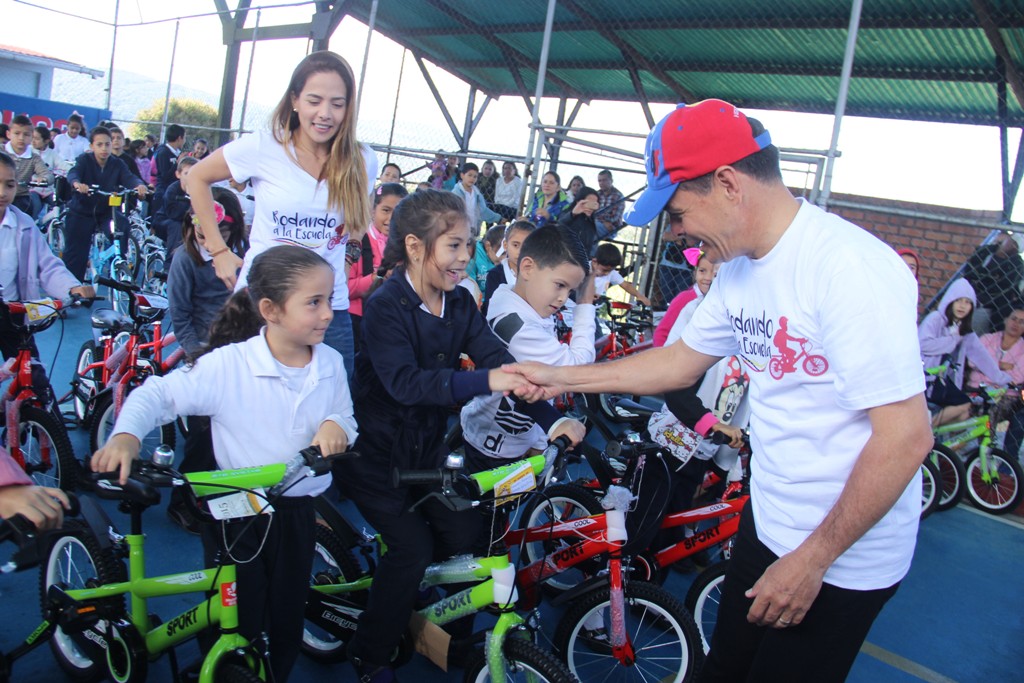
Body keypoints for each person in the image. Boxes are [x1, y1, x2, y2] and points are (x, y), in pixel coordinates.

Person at [505, 99, 934, 683]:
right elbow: (678, 363)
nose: (676, 230)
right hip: (772, 521)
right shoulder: (736, 269)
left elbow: (906, 438)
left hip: (840, 557)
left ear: (728, 183)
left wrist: (812, 561)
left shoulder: (848, 268)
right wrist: (558, 376)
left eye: (678, 212)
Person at [334, 190, 574, 682]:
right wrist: (489, 380)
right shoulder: (386, 306)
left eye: (467, 246)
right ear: (417, 248)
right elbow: (406, 384)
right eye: (455, 246)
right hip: (375, 459)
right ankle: (371, 652)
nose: (466, 256)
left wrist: (552, 420)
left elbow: (498, 362)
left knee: (464, 536)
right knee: (412, 550)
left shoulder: (460, 302)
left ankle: (439, 630)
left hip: (424, 454)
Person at [91, 245, 357, 683]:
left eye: (330, 299)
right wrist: (125, 435)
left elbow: (346, 414)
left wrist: (336, 425)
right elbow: (159, 394)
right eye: (314, 302)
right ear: (269, 310)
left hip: (296, 512)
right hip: (239, 513)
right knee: (236, 613)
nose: (328, 313)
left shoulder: (328, 362)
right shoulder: (229, 366)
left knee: (288, 610)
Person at [188, 50, 377, 378]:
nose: (325, 114)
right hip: (264, 303)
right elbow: (196, 178)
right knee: (247, 406)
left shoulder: (362, 160)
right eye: (314, 100)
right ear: (294, 100)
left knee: (331, 410)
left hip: (328, 310)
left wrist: (348, 255)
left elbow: (359, 218)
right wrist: (218, 251)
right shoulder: (264, 147)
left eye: (337, 103)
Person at [461, 224, 590, 472]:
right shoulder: (518, 324)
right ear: (528, 267)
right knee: (491, 508)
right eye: (560, 285)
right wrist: (585, 305)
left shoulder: (524, 301)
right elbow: (576, 371)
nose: (564, 298)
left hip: (514, 437)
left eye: (572, 291)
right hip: (493, 447)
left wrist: (540, 438)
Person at [164, 190, 249, 533]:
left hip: (239, 349)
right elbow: (180, 315)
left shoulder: (240, 255)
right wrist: (195, 354)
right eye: (203, 225)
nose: (212, 235)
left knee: (234, 432)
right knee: (203, 435)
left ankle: (222, 495)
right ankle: (181, 503)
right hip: (204, 350)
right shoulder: (185, 259)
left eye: (222, 230)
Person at [0, 152, 95, 407]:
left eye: (9, 185)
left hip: (14, 313)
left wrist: (72, 287)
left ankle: (32, 427)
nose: (2, 192)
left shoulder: (24, 224)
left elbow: (47, 265)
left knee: (35, 380)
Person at [919, 278, 1009, 427]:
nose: (962, 306)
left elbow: (981, 355)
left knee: (964, 414)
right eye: (958, 301)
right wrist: (952, 340)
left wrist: (1001, 378)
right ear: (950, 301)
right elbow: (922, 344)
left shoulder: (964, 330)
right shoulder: (936, 319)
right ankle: (927, 431)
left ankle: (935, 440)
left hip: (946, 381)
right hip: (928, 378)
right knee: (964, 406)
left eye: (967, 302)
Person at [63, 127, 148, 281]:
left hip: (106, 212)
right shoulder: (84, 160)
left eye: (107, 144)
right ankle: (73, 287)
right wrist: (77, 184)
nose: (104, 148)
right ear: (91, 146)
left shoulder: (118, 163)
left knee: (121, 225)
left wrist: (139, 185)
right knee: (76, 253)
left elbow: (129, 178)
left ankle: (116, 264)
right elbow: (73, 173)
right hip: (81, 211)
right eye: (99, 144)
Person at [348, 183, 408, 340]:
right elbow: (346, 288)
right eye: (386, 210)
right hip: (359, 318)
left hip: (394, 321)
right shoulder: (357, 242)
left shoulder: (410, 246)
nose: (392, 218)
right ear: (373, 211)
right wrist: (378, 278)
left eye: (399, 212)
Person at [966, 306, 1024, 460]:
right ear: (1005, 320)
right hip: (976, 389)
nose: (1016, 324)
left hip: (1004, 396)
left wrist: (986, 366)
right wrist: (1002, 366)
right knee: (956, 409)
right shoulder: (987, 338)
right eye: (1013, 319)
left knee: (989, 412)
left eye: (1022, 322)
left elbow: (1016, 377)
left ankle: (984, 456)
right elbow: (972, 361)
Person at [654, 250, 719, 346]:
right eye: (702, 271)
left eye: (715, 274)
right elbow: (662, 332)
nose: (708, 277)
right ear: (695, 272)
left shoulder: (718, 301)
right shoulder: (686, 298)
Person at [963, 232, 1024, 334]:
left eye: (1015, 246)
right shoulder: (985, 251)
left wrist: (982, 278)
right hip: (967, 295)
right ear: (1007, 239)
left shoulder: (1016, 266)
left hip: (986, 305)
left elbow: (1002, 288)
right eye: (1012, 241)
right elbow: (970, 272)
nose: (1011, 246)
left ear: (1017, 251)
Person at [482, 220, 535, 314]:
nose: (520, 252)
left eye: (526, 246)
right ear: (505, 245)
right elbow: (490, 308)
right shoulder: (495, 275)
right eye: (515, 245)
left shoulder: (537, 275)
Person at [5, 115, 52, 217]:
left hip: (20, 197)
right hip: (1, 193)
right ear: (8, 134)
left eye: (26, 134)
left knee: (24, 214)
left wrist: (44, 179)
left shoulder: (34, 158)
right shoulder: (2, 151)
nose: (21, 138)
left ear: (31, 137)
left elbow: (47, 174)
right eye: (17, 133)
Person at [152, 155, 199, 257]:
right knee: (176, 226)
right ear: (178, 174)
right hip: (165, 220)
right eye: (187, 173)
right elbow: (173, 213)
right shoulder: (173, 189)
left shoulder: (200, 189)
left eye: (194, 173)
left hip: (188, 221)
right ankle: (170, 262)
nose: (190, 177)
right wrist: (189, 200)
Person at [450, 162, 503, 233]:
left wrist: (498, 218)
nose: (472, 178)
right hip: (458, 230)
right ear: (462, 175)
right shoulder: (456, 193)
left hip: (473, 229)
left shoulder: (477, 193)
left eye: (475, 176)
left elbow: (483, 210)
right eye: (470, 175)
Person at [150, 124, 186, 217]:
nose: (184, 141)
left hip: (173, 192)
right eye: (184, 138)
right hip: (163, 192)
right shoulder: (163, 152)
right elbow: (164, 176)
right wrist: (177, 163)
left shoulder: (176, 152)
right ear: (179, 138)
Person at [558, 185, 599, 257]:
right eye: (588, 203)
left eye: (594, 204)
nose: (591, 207)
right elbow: (558, 225)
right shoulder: (568, 215)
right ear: (579, 202)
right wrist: (572, 214)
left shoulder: (591, 221)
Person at [466, 224, 504, 294]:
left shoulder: (499, 261)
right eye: (502, 253)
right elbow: (469, 288)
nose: (504, 258)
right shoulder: (473, 256)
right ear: (488, 246)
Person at [594, 169, 625, 241]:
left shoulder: (618, 196)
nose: (601, 183)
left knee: (589, 229)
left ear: (611, 181)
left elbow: (614, 218)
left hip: (611, 228)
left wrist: (598, 217)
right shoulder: (597, 194)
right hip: (598, 224)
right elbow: (592, 212)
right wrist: (603, 221)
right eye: (599, 181)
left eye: (604, 180)